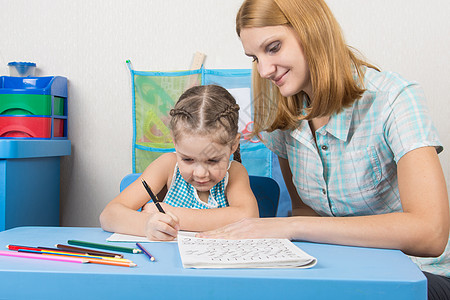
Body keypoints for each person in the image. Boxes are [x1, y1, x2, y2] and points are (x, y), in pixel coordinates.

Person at [199, 0, 450, 298]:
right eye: (254, 57)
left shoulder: (394, 100)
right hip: (344, 270)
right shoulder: (286, 121)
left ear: (312, 32)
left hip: (417, 275)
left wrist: (290, 227)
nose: (264, 70)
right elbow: (306, 212)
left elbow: (430, 234)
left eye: (274, 47)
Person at [100, 84, 259, 241]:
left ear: (233, 145)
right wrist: (146, 224)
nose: (200, 173)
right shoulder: (167, 166)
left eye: (213, 160)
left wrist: (171, 214)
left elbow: (248, 216)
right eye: (188, 159)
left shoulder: (234, 172)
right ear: (175, 143)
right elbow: (109, 215)